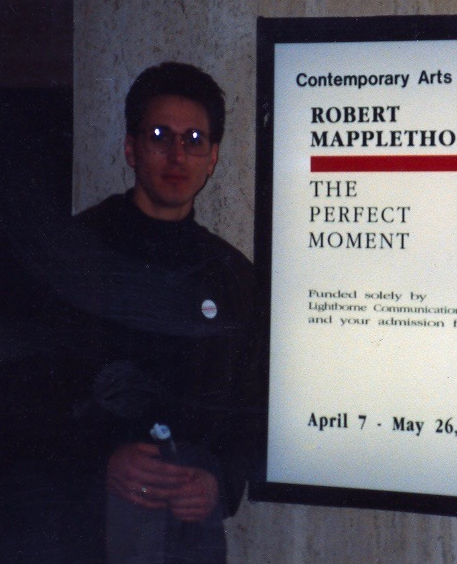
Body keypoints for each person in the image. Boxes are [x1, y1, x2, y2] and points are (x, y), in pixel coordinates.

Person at [39, 61, 260, 563]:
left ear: (214, 157)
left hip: (190, 533)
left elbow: (252, 405)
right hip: (84, 523)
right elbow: (26, 395)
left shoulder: (232, 276)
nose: (177, 154)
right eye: (160, 135)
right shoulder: (70, 256)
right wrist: (99, 462)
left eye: (195, 138)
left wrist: (219, 481)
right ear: (130, 147)